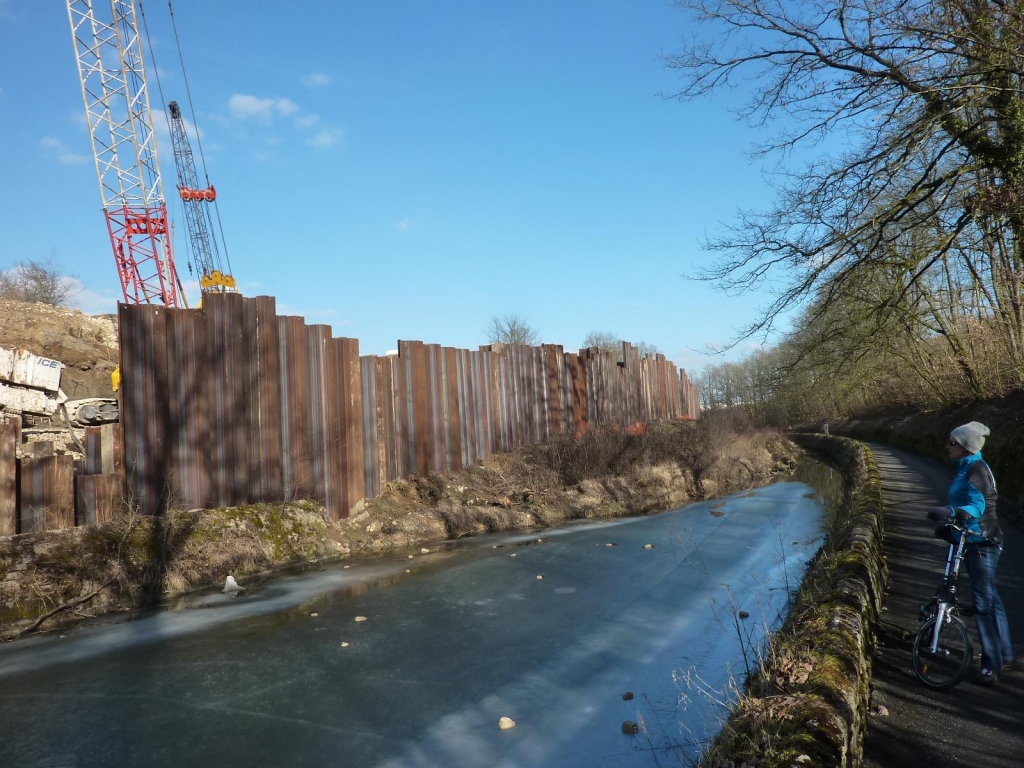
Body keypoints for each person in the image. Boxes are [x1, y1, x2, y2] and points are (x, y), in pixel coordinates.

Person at [926, 421, 1013, 685]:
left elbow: (977, 505)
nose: (947, 446)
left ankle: (991, 665)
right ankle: (1004, 652)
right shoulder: (967, 467)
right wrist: (951, 527)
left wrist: (952, 513)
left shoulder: (976, 470)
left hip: (982, 542)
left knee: (983, 603)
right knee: (990, 598)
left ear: (965, 446)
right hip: (972, 537)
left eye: (952, 442)